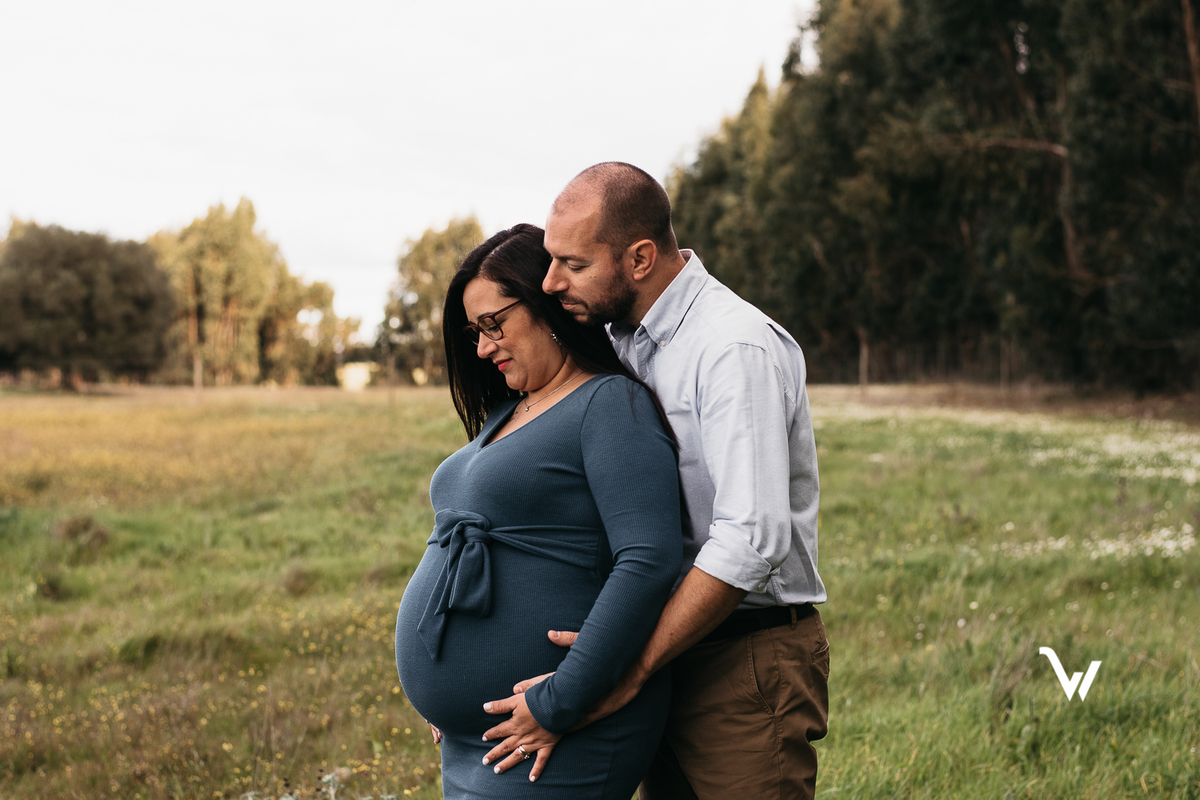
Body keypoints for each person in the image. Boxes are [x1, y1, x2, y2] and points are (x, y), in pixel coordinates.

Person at [482, 164, 830, 800]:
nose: (551, 281)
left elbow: (751, 539)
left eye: (574, 264)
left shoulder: (732, 347)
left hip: (740, 659)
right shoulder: (618, 340)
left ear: (640, 258)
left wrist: (629, 669)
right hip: (659, 647)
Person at [393, 222, 683, 799]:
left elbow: (647, 561)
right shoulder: (511, 411)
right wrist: (448, 694)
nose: (481, 347)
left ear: (545, 306)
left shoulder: (608, 403)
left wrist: (561, 701)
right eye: (475, 331)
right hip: (481, 736)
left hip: (560, 728)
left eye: (493, 324)